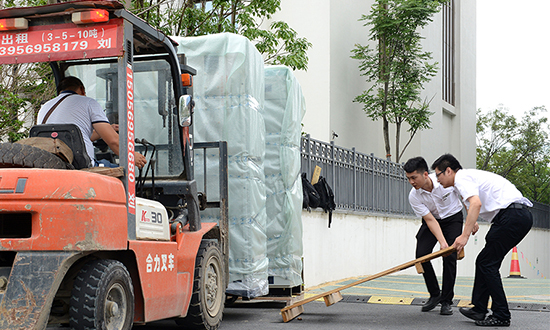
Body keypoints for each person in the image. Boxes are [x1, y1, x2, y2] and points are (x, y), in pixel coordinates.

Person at [431, 154, 533, 327]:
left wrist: (464, 235)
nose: (437, 179)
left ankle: (501, 314)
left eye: (438, 174)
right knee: (484, 262)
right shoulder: (464, 180)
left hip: (512, 216)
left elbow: (476, 203)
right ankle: (479, 308)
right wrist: (473, 222)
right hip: (515, 216)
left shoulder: (461, 178)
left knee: (487, 263)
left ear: (448, 171)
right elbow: (471, 204)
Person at [404, 157, 477, 316]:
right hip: (433, 221)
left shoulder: (444, 180)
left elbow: (464, 196)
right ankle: (435, 294)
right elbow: (430, 220)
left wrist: (472, 220)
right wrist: (442, 242)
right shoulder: (414, 196)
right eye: (408, 178)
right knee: (421, 256)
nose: (411, 182)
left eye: (414, 178)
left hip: (452, 218)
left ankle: (446, 301)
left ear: (425, 174)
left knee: (449, 258)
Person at [37, 76, 146, 169]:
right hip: (82, 166)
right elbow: (113, 141)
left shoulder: (45, 107)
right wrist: (131, 156)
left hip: (51, 165)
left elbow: (73, 138)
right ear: (82, 89)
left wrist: (105, 130)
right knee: (120, 171)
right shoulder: (89, 103)